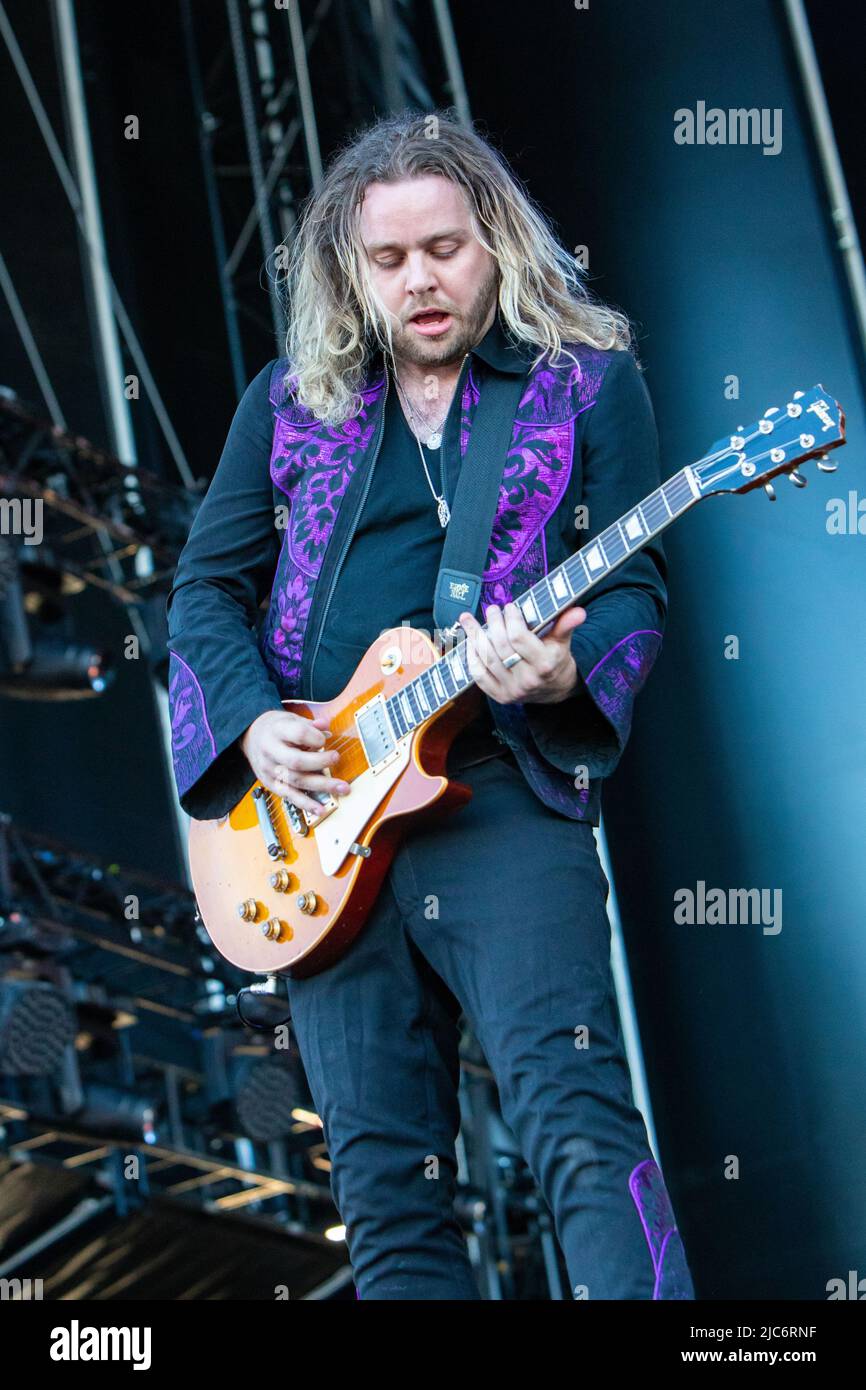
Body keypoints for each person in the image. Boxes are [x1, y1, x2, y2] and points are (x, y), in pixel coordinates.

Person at [166, 109, 695, 1301]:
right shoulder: (290, 401)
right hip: (315, 817)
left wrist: (563, 673)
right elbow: (204, 589)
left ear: (495, 241)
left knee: (575, 1119)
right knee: (384, 1188)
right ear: (352, 269)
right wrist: (255, 723)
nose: (420, 281)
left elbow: (633, 588)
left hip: (495, 787)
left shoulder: (584, 385)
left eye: (444, 249)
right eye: (390, 258)